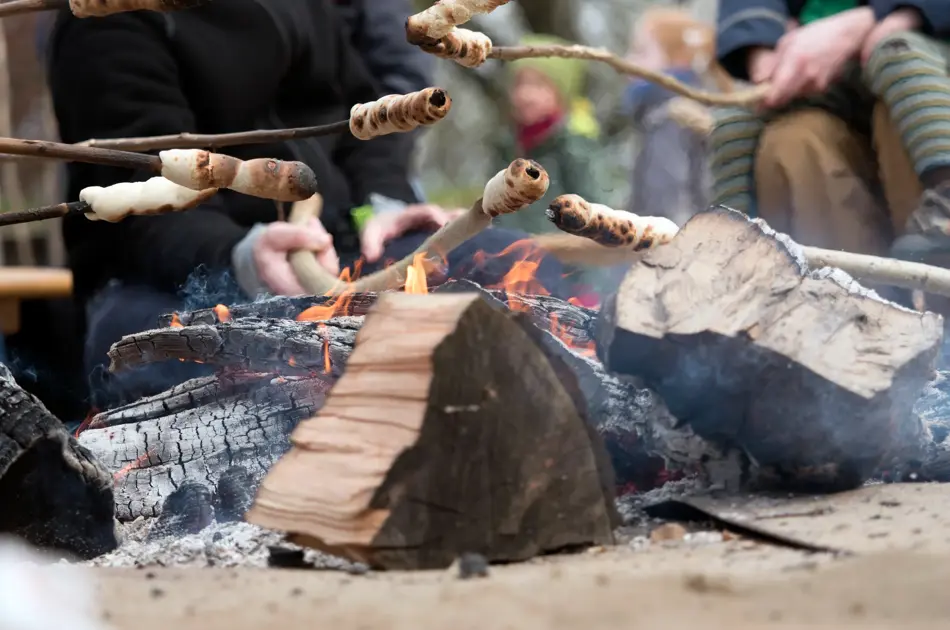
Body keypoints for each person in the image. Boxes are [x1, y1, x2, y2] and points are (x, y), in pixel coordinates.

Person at [46, 0, 566, 409]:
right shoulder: (105, 19)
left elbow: (359, 121)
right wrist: (242, 254)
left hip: (336, 245)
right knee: (161, 354)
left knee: (500, 261)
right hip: (176, 274)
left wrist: (382, 205)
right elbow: (137, 202)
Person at [710, 2, 950, 270]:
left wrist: (894, 13)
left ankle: (946, 207)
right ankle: (731, 251)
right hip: (822, 60)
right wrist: (761, 49)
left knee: (896, 53)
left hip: (922, 44)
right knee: (738, 118)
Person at [492, 33, 616, 305]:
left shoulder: (574, 147)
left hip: (567, 276)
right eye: (520, 84)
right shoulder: (508, 147)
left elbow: (598, 217)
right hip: (517, 273)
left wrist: (590, 285)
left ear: (561, 93)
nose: (525, 94)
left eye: (539, 85)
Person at [623, 7, 732, 225]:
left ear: (678, 60)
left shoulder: (670, 116)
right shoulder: (665, 110)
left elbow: (667, 195)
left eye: (641, 52)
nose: (628, 60)